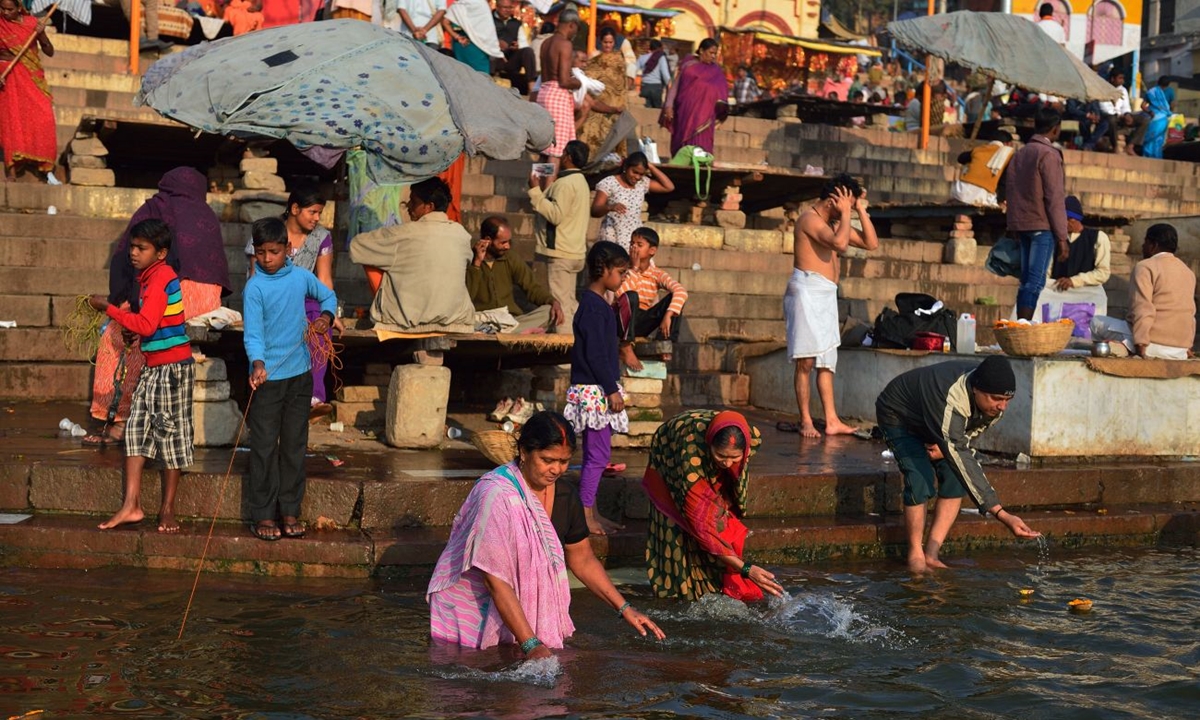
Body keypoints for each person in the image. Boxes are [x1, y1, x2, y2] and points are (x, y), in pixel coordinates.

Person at [427, 411, 664, 658]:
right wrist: (532, 645)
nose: (556, 469)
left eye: (563, 461)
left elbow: (582, 558)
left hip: (520, 616)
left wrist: (625, 608)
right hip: (476, 615)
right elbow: (495, 579)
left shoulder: (564, 494)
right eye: (547, 459)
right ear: (524, 452)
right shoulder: (496, 495)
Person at [87, 167, 229, 446]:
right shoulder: (207, 215)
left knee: (116, 337)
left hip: (168, 298)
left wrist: (115, 303)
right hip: (206, 301)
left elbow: (126, 263)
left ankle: (120, 420)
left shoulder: (155, 207)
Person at [876, 356, 1040, 574]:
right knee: (919, 477)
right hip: (900, 415)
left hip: (938, 422)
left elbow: (965, 438)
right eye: (996, 399)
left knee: (955, 478)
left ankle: (932, 554)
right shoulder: (953, 394)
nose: (1002, 407)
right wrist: (1001, 513)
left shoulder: (994, 407)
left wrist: (944, 445)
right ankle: (915, 553)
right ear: (976, 390)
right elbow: (958, 451)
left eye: (1007, 400)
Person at [87, 220, 195, 534]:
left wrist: (108, 308)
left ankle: (167, 509)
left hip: (172, 370)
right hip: (153, 364)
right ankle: (131, 505)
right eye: (132, 247)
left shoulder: (161, 276)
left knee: (170, 437)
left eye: (141, 248)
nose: (133, 253)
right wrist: (136, 334)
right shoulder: (145, 278)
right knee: (134, 432)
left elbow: (147, 324)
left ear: (160, 253)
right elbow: (150, 327)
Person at [243, 218, 337, 541]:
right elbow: (253, 334)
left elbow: (329, 298)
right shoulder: (254, 287)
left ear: (288, 249)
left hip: (299, 377)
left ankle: (290, 510)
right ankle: (263, 515)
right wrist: (257, 363)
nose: (267, 259)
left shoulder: (301, 277)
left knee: (294, 446)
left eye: (274, 251)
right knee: (264, 447)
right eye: (261, 252)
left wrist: (325, 319)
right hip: (267, 379)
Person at [643, 409, 784, 602]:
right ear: (709, 445)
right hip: (669, 456)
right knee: (680, 520)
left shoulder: (752, 435)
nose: (727, 463)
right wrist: (746, 569)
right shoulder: (689, 453)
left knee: (718, 515)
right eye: (720, 456)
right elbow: (702, 527)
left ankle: (713, 574)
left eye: (735, 458)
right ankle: (684, 591)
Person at [785, 174, 878, 438]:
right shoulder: (809, 219)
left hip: (826, 294)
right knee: (805, 361)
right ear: (834, 199)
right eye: (847, 201)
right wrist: (847, 212)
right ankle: (805, 420)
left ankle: (832, 420)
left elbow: (871, 244)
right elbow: (840, 244)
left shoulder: (837, 221)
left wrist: (858, 209)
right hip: (805, 291)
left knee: (827, 361)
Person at [246, 187, 339, 418]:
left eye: (320, 212)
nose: (317, 218)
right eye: (313, 212)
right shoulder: (267, 231)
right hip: (268, 297)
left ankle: (314, 398)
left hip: (306, 299)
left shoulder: (321, 237)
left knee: (317, 331)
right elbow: (254, 276)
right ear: (295, 209)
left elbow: (324, 281)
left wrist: (330, 314)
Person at [349, 178, 477, 334]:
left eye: (413, 202)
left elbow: (356, 245)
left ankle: (388, 312)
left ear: (429, 207)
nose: (408, 206)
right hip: (457, 321)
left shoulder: (404, 233)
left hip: (405, 323)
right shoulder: (462, 235)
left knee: (369, 254)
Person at [564, 241, 630, 536]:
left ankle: (593, 512)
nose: (623, 278)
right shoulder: (592, 307)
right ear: (603, 270)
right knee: (597, 456)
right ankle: (585, 516)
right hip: (594, 389)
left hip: (596, 387)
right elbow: (595, 354)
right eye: (620, 272)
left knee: (597, 454)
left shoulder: (599, 304)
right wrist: (610, 389)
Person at [1092, 223, 1196, 360]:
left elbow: (1142, 308)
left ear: (1153, 245)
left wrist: (1140, 345)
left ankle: (1126, 348)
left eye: (1145, 242)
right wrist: (1187, 346)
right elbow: (1190, 312)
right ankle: (1124, 347)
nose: (1142, 246)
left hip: (1151, 345)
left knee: (1095, 322)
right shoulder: (1188, 272)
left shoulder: (1145, 267)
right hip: (1180, 350)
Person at [1006, 106, 1069, 321]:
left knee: (1027, 281)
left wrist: (1012, 224)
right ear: (1055, 129)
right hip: (1041, 226)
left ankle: (1022, 323)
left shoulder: (1021, 153)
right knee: (1034, 281)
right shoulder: (1048, 154)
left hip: (1022, 224)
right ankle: (1023, 324)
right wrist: (1062, 237)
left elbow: (1011, 190)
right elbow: (1055, 198)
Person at [528, 140, 591, 333]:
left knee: (562, 308)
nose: (561, 157)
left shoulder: (565, 184)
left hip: (561, 253)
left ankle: (565, 361)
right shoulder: (580, 181)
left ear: (568, 157)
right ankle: (580, 345)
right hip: (574, 252)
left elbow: (556, 215)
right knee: (570, 304)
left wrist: (534, 190)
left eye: (563, 153)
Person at [466, 215, 564, 333]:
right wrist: (476, 264)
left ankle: (508, 333)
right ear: (488, 240)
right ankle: (510, 333)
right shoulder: (469, 258)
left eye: (509, 242)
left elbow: (532, 287)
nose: (507, 246)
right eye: (503, 242)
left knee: (549, 312)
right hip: (481, 321)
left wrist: (553, 302)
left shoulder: (510, 257)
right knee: (468, 323)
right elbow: (466, 297)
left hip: (510, 321)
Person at [614, 226, 688, 370]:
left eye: (639, 245)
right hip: (622, 322)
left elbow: (681, 291)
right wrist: (634, 269)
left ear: (652, 251)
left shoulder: (656, 274)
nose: (634, 248)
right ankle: (625, 347)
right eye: (632, 244)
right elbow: (622, 294)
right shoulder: (623, 269)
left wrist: (668, 314)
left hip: (642, 321)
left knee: (675, 298)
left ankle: (663, 343)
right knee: (632, 296)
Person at [1031, 195, 1111, 327]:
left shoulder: (1098, 238)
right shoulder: (1055, 239)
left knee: (1099, 301)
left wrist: (1074, 281)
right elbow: (1047, 271)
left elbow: (1103, 272)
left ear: (1072, 220)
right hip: (1058, 292)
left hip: (1086, 292)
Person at [0, 0, 55, 182]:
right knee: (12, 120)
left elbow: (49, 52)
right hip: (6, 75)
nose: (6, 12)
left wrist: (42, 35)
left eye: (10, 9)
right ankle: (12, 169)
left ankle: (43, 166)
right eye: (2, 8)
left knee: (43, 115)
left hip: (31, 76)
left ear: (19, 8)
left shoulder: (32, 23)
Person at [591, 152, 674, 251]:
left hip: (634, 238)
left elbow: (668, 187)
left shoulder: (642, 183)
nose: (637, 177)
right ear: (626, 167)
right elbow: (595, 210)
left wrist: (651, 167)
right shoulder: (609, 183)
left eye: (641, 174)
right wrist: (610, 207)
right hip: (613, 236)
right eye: (634, 172)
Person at [537, 8, 583, 174]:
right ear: (571, 25)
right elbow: (564, 80)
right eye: (576, 29)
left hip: (544, 92)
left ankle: (537, 186)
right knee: (556, 150)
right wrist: (579, 83)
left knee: (544, 149)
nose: (575, 33)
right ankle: (547, 190)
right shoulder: (565, 44)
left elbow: (544, 77)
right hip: (557, 95)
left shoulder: (545, 43)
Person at [664, 38, 727, 157]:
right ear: (702, 51)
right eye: (711, 53)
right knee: (683, 142)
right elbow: (675, 87)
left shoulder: (717, 71)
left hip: (707, 116)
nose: (713, 56)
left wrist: (722, 110)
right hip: (685, 112)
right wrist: (669, 105)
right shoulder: (688, 66)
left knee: (703, 146)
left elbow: (722, 94)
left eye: (715, 54)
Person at [576, 27, 628, 161]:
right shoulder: (593, 58)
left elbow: (622, 84)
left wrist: (620, 103)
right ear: (601, 41)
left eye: (610, 42)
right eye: (605, 42)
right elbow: (587, 76)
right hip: (596, 103)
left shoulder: (619, 59)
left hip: (615, 103)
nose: (608, 45)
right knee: (592, 135)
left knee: (611, 137)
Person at [951, 131, 1014, 207]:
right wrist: (1001, 201)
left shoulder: (979, 149)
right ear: (1008, 144)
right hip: (982, 196)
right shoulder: (1008, 155)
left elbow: (961, 158)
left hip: (960, 191)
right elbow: (1003, 182)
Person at [442, 0, 501, 75]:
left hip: (461, 43)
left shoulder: (459, 4)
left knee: (462, 74)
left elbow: (445, 22)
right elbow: (488, 29)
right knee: (480, 75)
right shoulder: (481, 4)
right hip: (479, 46)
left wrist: (456, 36)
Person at [493, 0, 536, 96]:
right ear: (497, 7)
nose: (507, 10)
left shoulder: (516, 24)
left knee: (527, 51)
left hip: (510, 61)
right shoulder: (488, 20)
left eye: (510, 8)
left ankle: (531, 86)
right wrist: (496, 45)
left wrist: (517, 47)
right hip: (493, 58)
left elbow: (523, 44)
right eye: (504, 7)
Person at [1142, 76, 1175, 159]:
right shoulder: (1170, 91)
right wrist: (1167, 112)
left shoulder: (1151, 92)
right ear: (1168, 84)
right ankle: (1157, 157)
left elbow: (1143, 106)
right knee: (1159, 139)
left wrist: (1150, 112)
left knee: (1149, 137)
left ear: (1158, 82)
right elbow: (1172, 105)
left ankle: (1146, 155)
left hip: (1152, 118)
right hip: (1163, 120)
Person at [637, 38, 670, 109]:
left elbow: (634, 69)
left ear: (650, 47)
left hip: (644, 86)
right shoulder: (661, 57)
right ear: (659, 48)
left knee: (645, 110)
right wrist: (669, 85)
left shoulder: (642, 57)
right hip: (656, 87)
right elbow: (665, 74)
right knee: (656, 112)